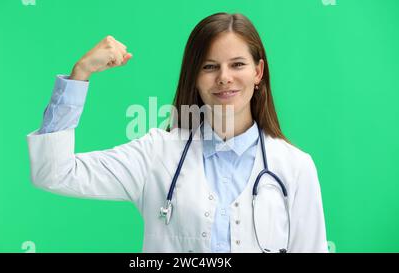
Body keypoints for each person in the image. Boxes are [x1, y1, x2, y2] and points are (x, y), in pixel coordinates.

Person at [27, 12, 328, 253]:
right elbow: (53, 172)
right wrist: (80, 74)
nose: (225, 78)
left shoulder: (295, 167)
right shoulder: (157, 154)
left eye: (237, 64)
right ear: (194, 76)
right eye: (210, 67)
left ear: (258, 72)